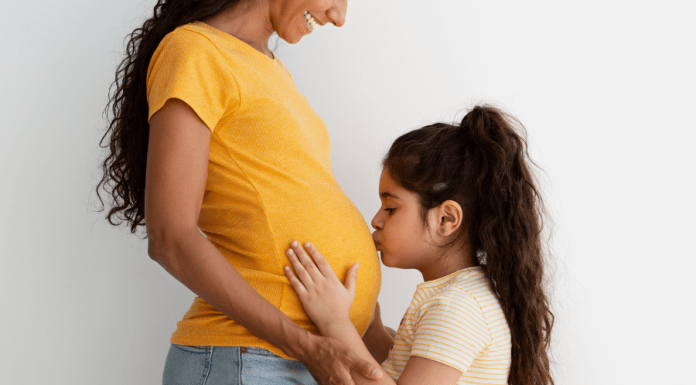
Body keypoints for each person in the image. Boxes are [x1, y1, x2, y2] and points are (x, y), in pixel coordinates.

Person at [97, 0, 386, 384]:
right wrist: (303, 345)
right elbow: (171, 237)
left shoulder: (272, 68)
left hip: (302, 358)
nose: (339, 17)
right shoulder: (196, 50)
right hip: (245, 360)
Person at [283, 106, 555, 385]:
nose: (376, 220)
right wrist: (371, 332)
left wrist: (333, 322)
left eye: (390, 208)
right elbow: (407, 374)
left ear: (446, 219)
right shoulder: (460, 297)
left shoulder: (456, 306)